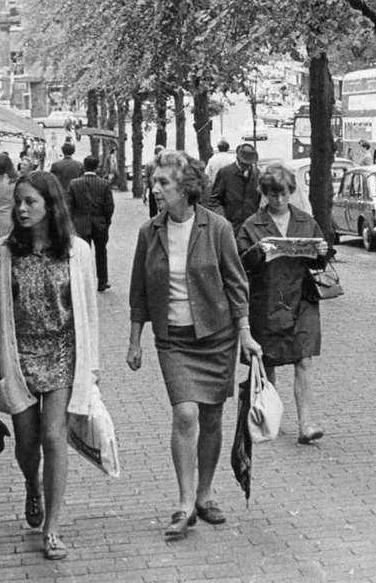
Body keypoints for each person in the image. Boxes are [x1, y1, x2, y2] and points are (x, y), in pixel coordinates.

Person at [128, 150, 257, 541]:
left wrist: (246, 332)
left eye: (162, 183)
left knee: (213, 418)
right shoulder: (149, 232)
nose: (156, 189)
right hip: (173, 339)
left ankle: (205, 493)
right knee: (185, 414)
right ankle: (184, 502)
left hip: (216, 337)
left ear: (186, 188)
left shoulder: (216, 228)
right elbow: (138, 291)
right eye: (154, 182)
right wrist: (134, 340)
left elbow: (237, 284)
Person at [0, 170, 100, 562]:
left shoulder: (77, 251)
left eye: (30, 201)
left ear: (50, 206)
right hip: (19, 356)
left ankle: (53, 528)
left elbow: (90, 314)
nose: (22, 209)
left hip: (63, 352)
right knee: (28, 445)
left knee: (53, 436)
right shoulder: (3, 252)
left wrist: (92, 365)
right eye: (18, 201)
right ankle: (33, 483)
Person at [237, 162, 332, 446]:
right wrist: (258, 251)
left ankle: (307, 423)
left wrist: (323, 252)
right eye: (272, 195)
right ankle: (270, 418)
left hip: (301, 298)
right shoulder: (251, 225)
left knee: (304, 359)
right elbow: (239, 264)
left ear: (291, 192)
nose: (278, 200)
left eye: (283, 194)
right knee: (268, 361)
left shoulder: (305, 220)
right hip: (267, 300)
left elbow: (318, 260)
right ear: (265, 194)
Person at [69, 155, 117, 291]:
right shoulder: (104, 184)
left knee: (82, 253)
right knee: (101, 252)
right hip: (99, 223)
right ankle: (102, 281)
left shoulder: (74, 184)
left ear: (84, 166)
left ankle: (84, 281)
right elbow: (109, 206)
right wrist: (106, 221)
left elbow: (70, 206)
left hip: (81, 223)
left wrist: (73, 221)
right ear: (97, 167)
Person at [207, 142, 262, 228]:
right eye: (244, 164)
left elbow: (260, 201)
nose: (247, 167)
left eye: (249, 164)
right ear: (237, 159)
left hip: (251, 227)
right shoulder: (225, 173)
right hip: (231, 226)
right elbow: (214, 201)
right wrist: (223, 220)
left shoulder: (257, 174)